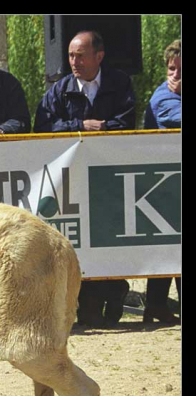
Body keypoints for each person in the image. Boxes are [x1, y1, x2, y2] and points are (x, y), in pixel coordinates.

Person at [34, 30, 136, 328]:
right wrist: (79, 125)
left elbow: (128, 120)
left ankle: (117, 291)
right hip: (73, 180)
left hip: (109, 176)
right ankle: (89, 302)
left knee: (109, 233)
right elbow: (43, 124)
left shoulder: (120, 83)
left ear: (99, 56)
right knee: (81, 239)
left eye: (80, 55)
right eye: (70, 55)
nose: (74, 61)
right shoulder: (60, 89)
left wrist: (103, 127)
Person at [142, 39, 181, 324]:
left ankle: (155, 306)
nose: (175, 77)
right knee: (169, 243)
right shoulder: (162, 98)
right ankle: (154, 306)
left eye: (181, 71)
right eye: (171, 70)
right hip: (163, 182)